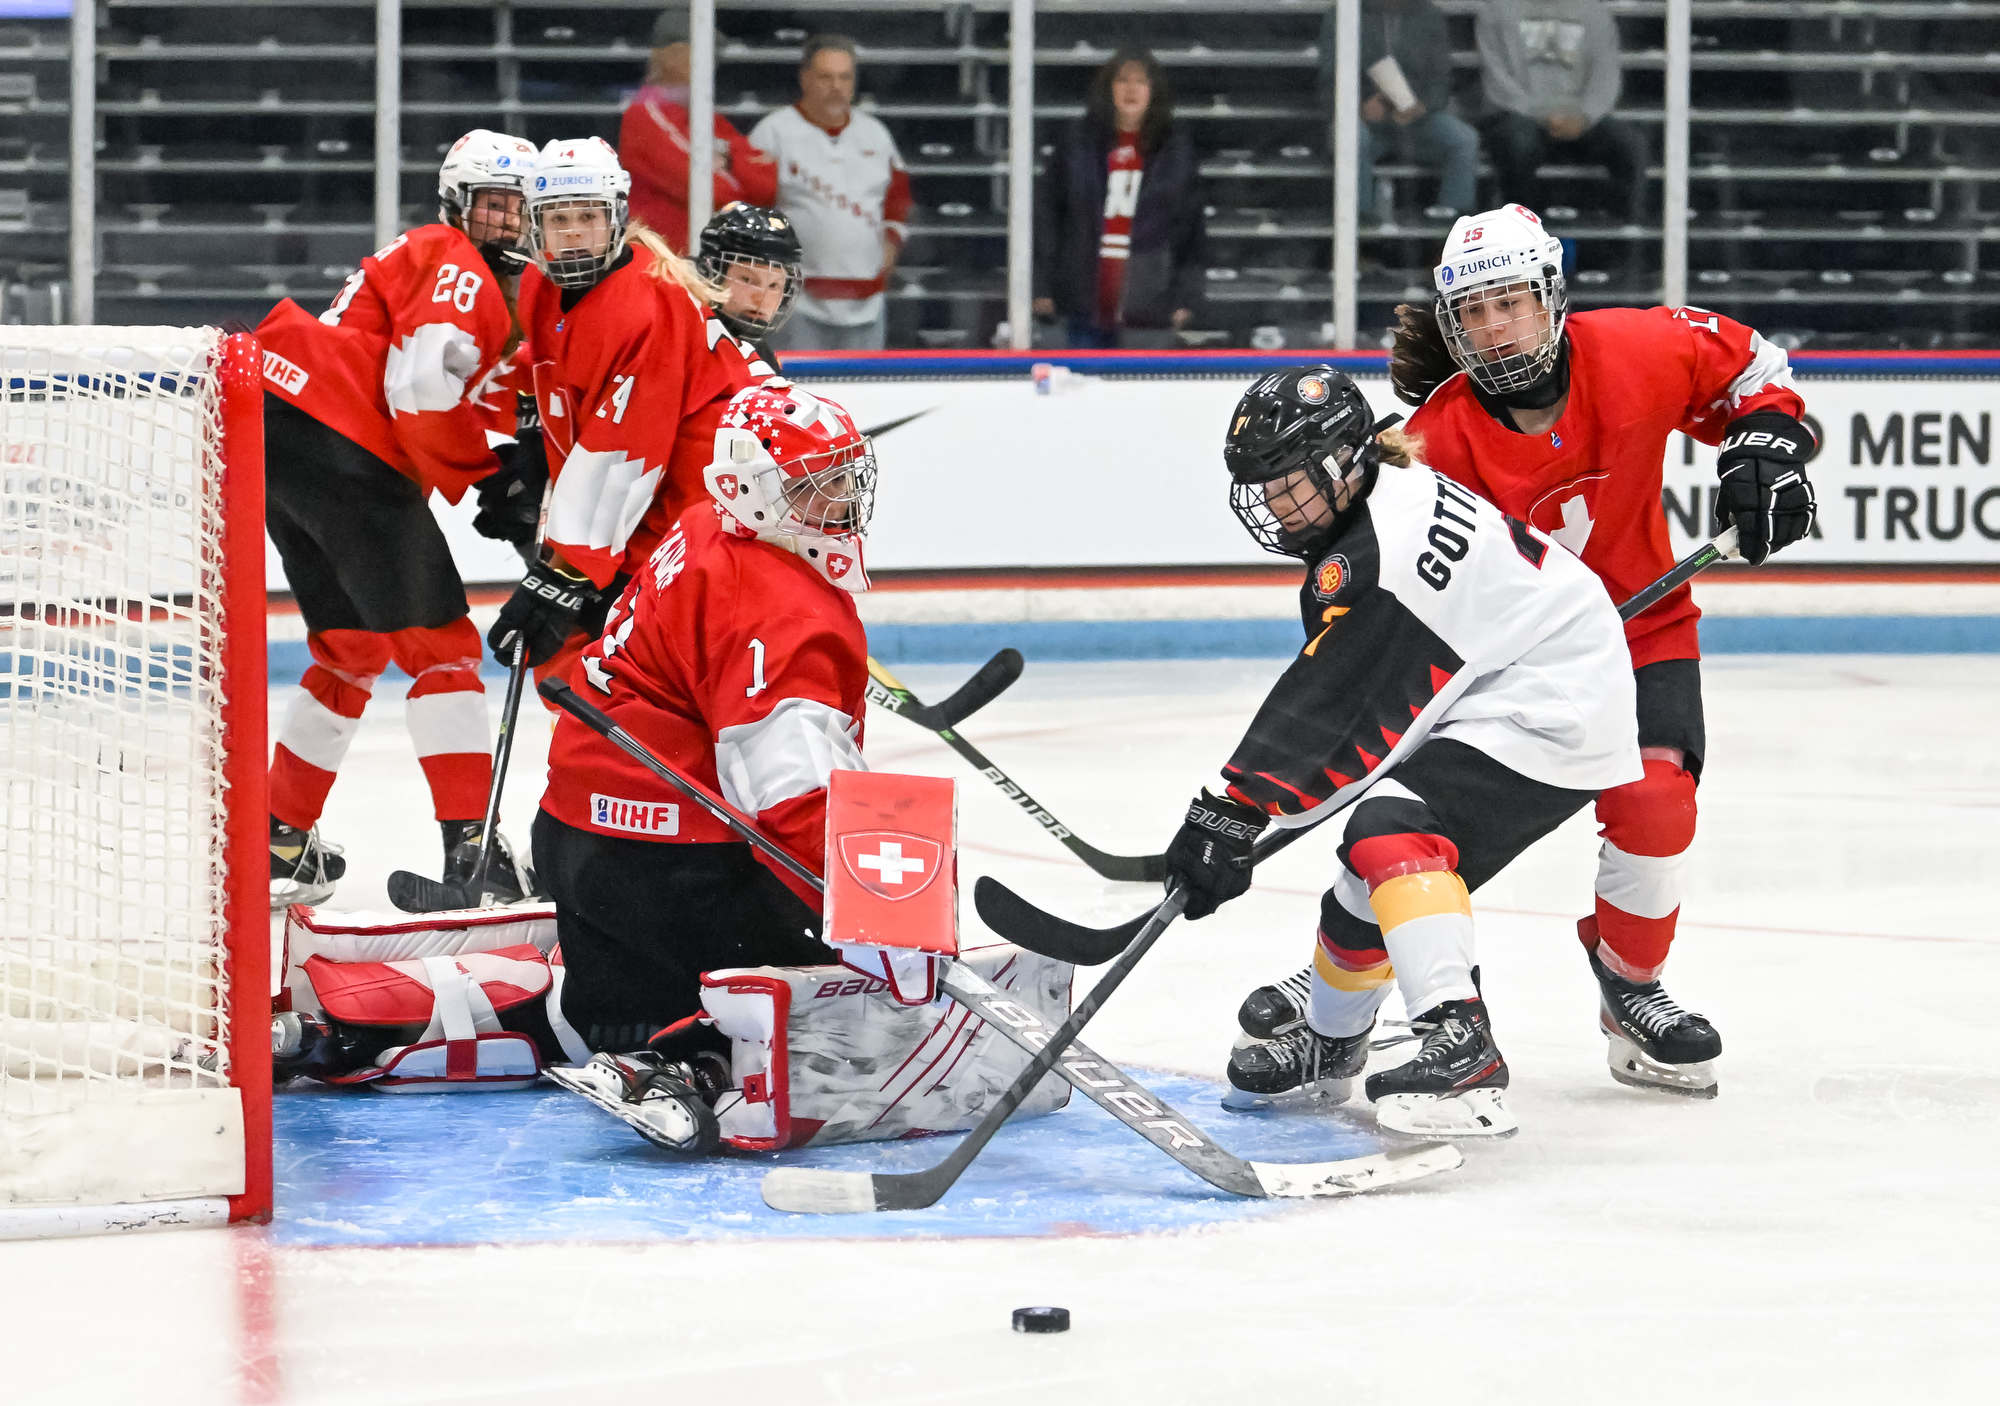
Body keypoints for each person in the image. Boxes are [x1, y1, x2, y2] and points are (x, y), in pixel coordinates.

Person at [1346, 202, 1811, 1097]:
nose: (1492, 326)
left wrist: (1766, 446)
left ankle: (1630, 987)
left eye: (1509, 301)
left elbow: (1754, 368)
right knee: (1411, 836)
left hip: (1643, 630)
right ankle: (1340, 989)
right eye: (1472, 310)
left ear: (1551, 296)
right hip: (1520, 672)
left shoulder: (1637, 350)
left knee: (1657, 800)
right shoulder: (1436, 444)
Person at [1165, 366, 1641, 1138]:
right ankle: (1331, 1043)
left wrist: (1235, 806)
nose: (1277, 505)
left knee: (1389, 830)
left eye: (1290, 482)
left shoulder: (1380, 556)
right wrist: (1249, 810)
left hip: (1555, 698)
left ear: (1345, 462)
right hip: (1508, 671)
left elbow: (1336, 700)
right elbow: (1361, 707)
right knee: (1370, 870)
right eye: (1267, 486)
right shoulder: (1381, 497)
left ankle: (1462, 1043)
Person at [532, 382, 877, 1133]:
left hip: (580, 839)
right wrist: (873, 919)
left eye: (848, 475)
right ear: (749, 492)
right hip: (666, 871)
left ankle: (577, 1010)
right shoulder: (781, 606)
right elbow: (787, 793)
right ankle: (675, 1053)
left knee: (610, 1004)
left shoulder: (705, 526)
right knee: (819, 991)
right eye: (817, 486)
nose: (844, 499)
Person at [255, 129, 540, 906]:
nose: (507, 222)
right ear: (459, 204)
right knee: (443, 652)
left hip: (281, 437)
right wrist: (489, 474)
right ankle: (472, 852)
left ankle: (280, 839)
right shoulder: (456, 260)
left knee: (349, 649)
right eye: (493, 205)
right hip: (347, 443)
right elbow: (420, 391)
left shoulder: (447, 260)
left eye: (519, 208)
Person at [489, 138, 778, 686]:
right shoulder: (541, 285)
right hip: (650, 500)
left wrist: (560, 577)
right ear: (534, 225)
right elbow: (547, 365)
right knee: (575, 665)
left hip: (702, 505)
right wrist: (530, 448)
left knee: (614, 670)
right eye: (558, 219)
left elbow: (622, 460)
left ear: (617, 218)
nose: (573, 232)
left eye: (588, 217)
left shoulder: (644, 306)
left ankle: (635, 766)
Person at [1033, 47, 1205, 347]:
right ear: (1107, 88)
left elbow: (1191, 230)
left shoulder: (1176, 150)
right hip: (1080, 302)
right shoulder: (1076, 142)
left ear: (1154, 91)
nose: (1131, 89)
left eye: (1141, 81)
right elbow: (1048, 217)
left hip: (1150, 308)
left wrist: (1186, 297)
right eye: (1123, 80)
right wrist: (1041, 286)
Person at [749, 35, 912, 351]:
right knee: (800, 395)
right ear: (805, 78)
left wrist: (891, 242)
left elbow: (898, 199)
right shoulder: (772, 133)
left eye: (844, 77)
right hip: (797, 305)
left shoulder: (875, 134)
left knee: (863, 396)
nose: (836, 86)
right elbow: (752, 209)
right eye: (826, 77)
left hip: (868, 302)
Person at [618, 5, 778, 252]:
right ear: (671, 56)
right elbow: (718, 193)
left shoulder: (702, 116)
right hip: (661, 266)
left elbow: (767, 185)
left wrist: (726, 157)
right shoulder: (645, 114)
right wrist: (732, 167)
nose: (712, 63)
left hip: (698, 264)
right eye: (703, 52)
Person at [1476, 0, 1647, 224]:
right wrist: (1539, 113)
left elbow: (1606, 75)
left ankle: (1626, 238)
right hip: (1518, 115)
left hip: (1580, 118)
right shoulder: (1495, 9)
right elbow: (1496, 77)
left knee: (1632, 146)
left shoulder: (1594, 11)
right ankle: (1521, 232)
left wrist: (1585, 116)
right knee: (1518, 143)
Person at [1331, 0, 1479, 225]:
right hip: (1365, 122)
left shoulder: (1430, 15)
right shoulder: (1343, 13)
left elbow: (1442, 81)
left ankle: (1453, 228)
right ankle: (1359, 226)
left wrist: (1423, 105)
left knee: (1463, 139)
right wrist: (1357, 106)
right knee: (1352, 137)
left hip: (1418, 121)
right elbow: (1326, 82)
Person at [694, 201, 805, 366]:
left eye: (774, 285)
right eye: (747, 279)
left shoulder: (762, 358)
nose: (762, 297)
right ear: (711, 273)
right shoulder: (684, 341)